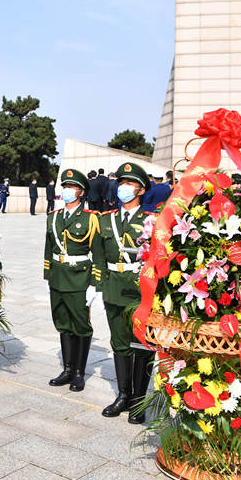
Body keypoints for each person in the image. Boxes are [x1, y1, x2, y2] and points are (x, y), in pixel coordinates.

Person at [93, 162, 154, 424]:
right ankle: (123, 395)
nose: (123, 188)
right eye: (121, 183)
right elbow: (98, 255)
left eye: (129, 183)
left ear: (141, 189)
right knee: (119, 343)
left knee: (142, 345)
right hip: (114, 289)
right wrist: (97, 287)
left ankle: (139, 401)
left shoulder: (151, 221)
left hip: (141, 292)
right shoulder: (106, 219)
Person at [44, 169, 100, 392]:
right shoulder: (54, 217)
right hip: (57, 277)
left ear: (81, 192)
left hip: (79, 278)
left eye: (71, 187)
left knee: (80, 326)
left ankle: (78, 373)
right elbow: (48, 248)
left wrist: (94, 284)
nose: (66, 190)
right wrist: (48, 275)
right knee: (63, 323)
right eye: (65, 187)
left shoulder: (90, 219)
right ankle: (67, 370)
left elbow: (98, 254)